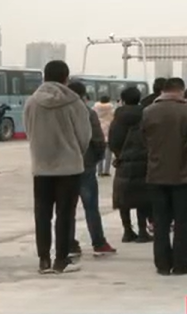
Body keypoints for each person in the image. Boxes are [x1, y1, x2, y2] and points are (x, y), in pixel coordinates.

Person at [22, 60, 93, 274]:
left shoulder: (32, 102)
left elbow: (29, 131)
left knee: (42, 214)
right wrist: (74, 151)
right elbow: (84, 135)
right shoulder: (75, 103)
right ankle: (61, 260)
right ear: (66, 78)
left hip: (41, 166)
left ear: (44, 76)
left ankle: (43, 260)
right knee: (65, 214)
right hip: (69, 167)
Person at [141, 78, 187, 276]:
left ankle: (162, 264)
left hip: (157, 173)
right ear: (181, 91)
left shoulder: (148, 111)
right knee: (183, 221)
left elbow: (144, 139)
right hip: (184, 174)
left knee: (160, 221)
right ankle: (180, 264)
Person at [62, 81, 115, 259]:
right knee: (91, 206)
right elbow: (98, 139)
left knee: (67, 207)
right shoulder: (87, 112)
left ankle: (69, 243)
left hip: (64, 165)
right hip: (85, 163)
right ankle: (98, 242)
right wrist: (96, 158)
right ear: (84, 95)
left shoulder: (59, 112)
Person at [108, 86, 152, 243]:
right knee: (143, 198)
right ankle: (142, 231)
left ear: (123, 100)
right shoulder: (146, 115)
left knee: (123, 197)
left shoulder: (117, 118)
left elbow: (112, 141)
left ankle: (127, 231)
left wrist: (119, 154)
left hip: (123, 161)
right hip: (144, 161)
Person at [94, 95, 115, 176]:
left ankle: (99, 171)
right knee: (108, 152)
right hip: (109, 131)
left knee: (100, 152)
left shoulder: (95, 109)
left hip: (99, 130)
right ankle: (106, 170)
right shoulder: (111, 109)